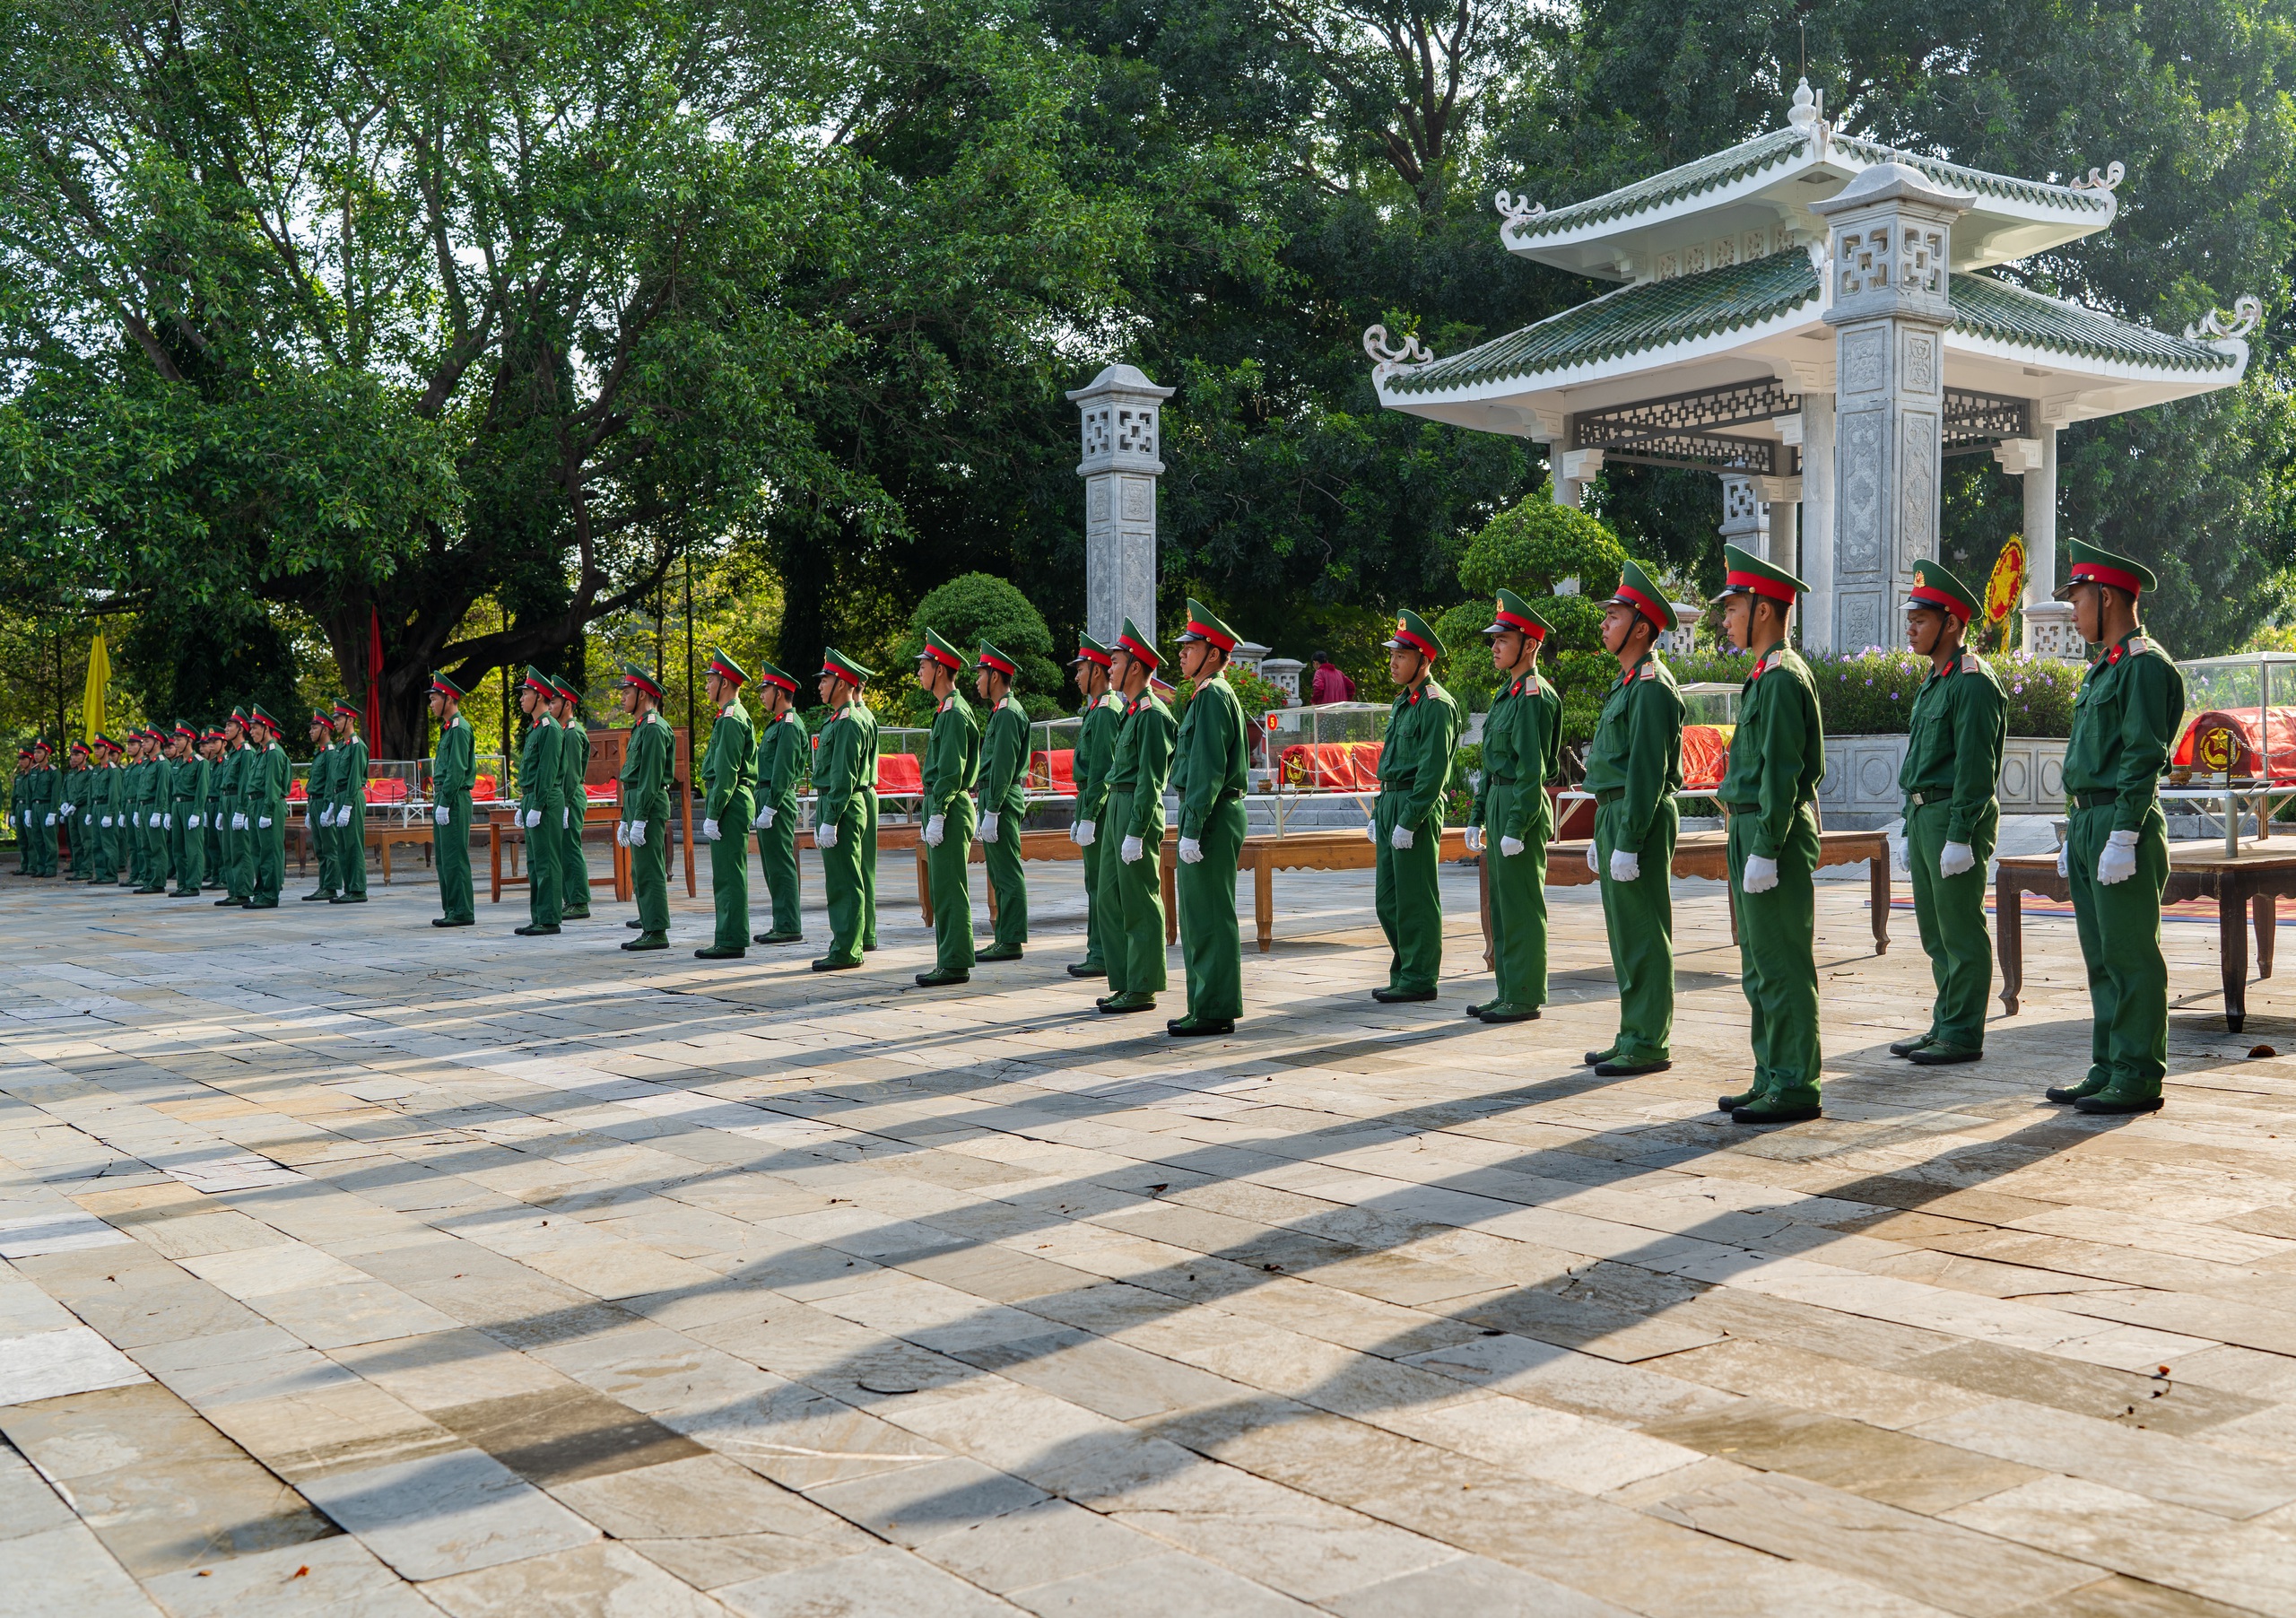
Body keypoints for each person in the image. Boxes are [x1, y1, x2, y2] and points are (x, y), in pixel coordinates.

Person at [2048, 541, 2184, 1114]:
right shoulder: (2103, 667)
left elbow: (2141, 755)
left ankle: (2137, 1074)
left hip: (2119, 819)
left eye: (2078, 600)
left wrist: (2124, 832)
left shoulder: (2145, 666)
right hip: (2088, 820)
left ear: (2106, 597)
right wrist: (2074, 830)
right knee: (2100, 956)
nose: (2073, 613)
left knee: (2130, 956)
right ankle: (2107, 1064)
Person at [1712, 544, 1826, 1124]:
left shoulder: (1782, 677)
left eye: (1732, 607)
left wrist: (1767, 846)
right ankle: (1770, 1073)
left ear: (1762, 610)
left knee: (1781, 964)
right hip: (1751, 827)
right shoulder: (1763, 675)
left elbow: (1785, 771)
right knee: (1758, 966)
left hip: (1769, 832)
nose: (1724, 618)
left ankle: (1796, 1084)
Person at [1891, 561, 2005, 1067]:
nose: (1911, 628)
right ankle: (1944, 1022)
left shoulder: (1973, 682)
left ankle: (1962, 1033)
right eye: (1910, 618)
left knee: (1959, 927)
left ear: (1952, 624)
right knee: (1935, 931)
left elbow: (1976, 768)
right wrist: (1904, 822)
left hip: (1952, 818)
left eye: (1921, 619)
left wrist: (1960, 833)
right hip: (1923, 817)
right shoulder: (1935, 681)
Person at [1581, 561, 1685, 1074]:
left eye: (1614, 615)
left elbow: (1647, 771)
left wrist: (1628, 838)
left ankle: (1648, 1040)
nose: (1604, 623)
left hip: (1636, 813)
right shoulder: (1626, 683)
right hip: (1614, 811)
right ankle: (1631, 1031)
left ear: (1641, 628)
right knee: (1624, 933)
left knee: (1644, 931)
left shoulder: (1651, 686)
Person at [1464, 590, 1561, 1025]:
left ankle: (1524, 995)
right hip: (1501, 801)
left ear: (1530, 645)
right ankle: (1506, 989)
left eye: (1503, 639)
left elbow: (1531, 769)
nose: (1495, 646)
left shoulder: (1533, 696)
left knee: (1521, 904)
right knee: (1501, 904)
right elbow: (1492, 765)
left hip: (1521, 805)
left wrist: (1517, 826)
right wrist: (1478, 815)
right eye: (1495, 639)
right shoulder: (1507, 694)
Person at [1369, 610, 1462, 1005]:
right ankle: (1405, 969)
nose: (1393, 662)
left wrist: (1409, 819)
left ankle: (1420, 976)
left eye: (1402, 656)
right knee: (1387, 899)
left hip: (1414, 805)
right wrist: (1379, 813)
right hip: (1390, 800)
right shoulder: (1403, 703)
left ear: (1424, 660)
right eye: (1392, 655)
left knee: (1416, 897)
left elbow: (1433, 770)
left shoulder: (1436, 705)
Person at [1170, 600, 1249, 1037]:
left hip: (1213, 814)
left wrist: (1194, 826)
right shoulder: (1205, 695)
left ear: (1213, 654)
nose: (1182, 652)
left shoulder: (1214, 696)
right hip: (1206, 813)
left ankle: (1216, 1007)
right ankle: (1202, 1002)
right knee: (1198, 914)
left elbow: (1206, 768)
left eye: (1191, 646)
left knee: (1212, 914)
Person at [1096, 619, 1177, 1014]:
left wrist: (1136, 830)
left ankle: (1143, 986)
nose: (1109, 668)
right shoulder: (1130, 711)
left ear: (1136, 667)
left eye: (1115, 661)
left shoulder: (1152, 713)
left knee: (1140, 900)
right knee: (1111, 898)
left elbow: (1150, 780)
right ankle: (1125, 980)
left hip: (1134, 809)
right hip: (1116, 804)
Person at [914, 630, 980, 987]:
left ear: (940, 669)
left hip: (950, 809)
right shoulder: (946, 710)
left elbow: (951, 771)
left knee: (951, 888)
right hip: (943, 807)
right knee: (942, 888)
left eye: (923, 665)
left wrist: (938, 812)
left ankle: (954, 963)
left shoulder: (954, 713)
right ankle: (948, 960)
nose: (919, 672)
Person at [811, 648, 878, 972]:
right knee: (840, 879)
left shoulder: (849, 721)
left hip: (844, 804)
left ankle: (848, 949)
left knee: (845, 881)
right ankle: (844, 942)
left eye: (825, 679)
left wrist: (831, 817)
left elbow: (843, 775)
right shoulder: (838, 719)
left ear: (841, 684)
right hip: (836, 802)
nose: (821, 685)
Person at [1065, 635, 1123, 980]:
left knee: (1102, 885)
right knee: (1095, 884)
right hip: (1089, 802)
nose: (1076, 676)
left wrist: (1088, 816)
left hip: (1099, 807)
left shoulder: (1105, 712)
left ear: (1098, 671)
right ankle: (1097, 950)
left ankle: (1102, 953)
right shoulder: (1095, 709)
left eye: (1081, 669)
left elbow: (1101, 770)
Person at [693, 648, 756, 959]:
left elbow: (727, 771)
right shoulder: (727, 716)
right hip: (729, 802)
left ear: (726, 684)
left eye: (712, 679)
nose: (707, 685)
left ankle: (731, 940)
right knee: (725, 873)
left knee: (729, 874)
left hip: (729, 803)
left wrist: (714, 811)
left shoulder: (732, 719)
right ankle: (728, 936)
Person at [974, 641, 1031, 963]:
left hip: (1002, 798)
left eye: (981, 673)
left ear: (995, 676)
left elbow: (1004, 766)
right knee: (999, 872)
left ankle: (1011, 940)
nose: (978, 680)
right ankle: (1004, 937)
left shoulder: (1009, 713)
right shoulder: (1001, 711)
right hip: (993, 797)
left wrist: (993, 808)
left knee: (1007, 872)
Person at [614, 661, 674, 951]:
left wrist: (639, 818)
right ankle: (648, 921)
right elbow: (633, 780)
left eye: (627, 692)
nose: (622, 697)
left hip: (649, 805)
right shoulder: (640, 727)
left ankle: (657, 930)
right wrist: (627, 817)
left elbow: (650, 778)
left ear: (642, 694)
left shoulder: (653, 728)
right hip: (638, 802)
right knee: (640, 871)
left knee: (650, 869)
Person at [749, 660, 807, 945]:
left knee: (781, 864)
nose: (762, 694)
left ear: (780, 692)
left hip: (778, 799)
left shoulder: (789, 725)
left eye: (766, 689)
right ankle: (780, 922)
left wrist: (771, 806)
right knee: (772, 865)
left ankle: (788, 924)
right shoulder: (776, 725)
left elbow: (783, 770)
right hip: (768, 796)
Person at [514, 666, 565, 936]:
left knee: (547, 862)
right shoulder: (535, 728)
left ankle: (549, 918)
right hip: (533, 796)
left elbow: (547, 770)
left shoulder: (550, 728)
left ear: (540, 696)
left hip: (544, 798)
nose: (522, 698)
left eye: (526, 693)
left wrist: (537, 805)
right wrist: (525, 802)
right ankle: (538, 917)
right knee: (534, 863)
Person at [428, 673, 477, 927]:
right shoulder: (448, 729)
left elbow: (456, 770)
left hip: (454, 798)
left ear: (449, 699)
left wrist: (445, 801)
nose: (432, 704)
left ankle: (462, 911)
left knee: (455, 855)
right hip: (445, 796)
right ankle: (452, 908)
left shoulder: (459, 729)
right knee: (444, 857)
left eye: (435, 699)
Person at [552, 677, 591, 920]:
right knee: (563, 849)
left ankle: (579, 901)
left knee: (570, 848)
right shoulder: (561, 731)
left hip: (572, 796)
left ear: (567, 705)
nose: (549, 706)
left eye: (554, 702)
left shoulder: (573, 733)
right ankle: (570, 899)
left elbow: (572, 773)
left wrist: (565, 804)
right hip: (565, 797)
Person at [245, 705, 291, 908]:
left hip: (268, 804)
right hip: (256, 804)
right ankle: (261, 891)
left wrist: (267, 811)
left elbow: (272, 786)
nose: (251, 731)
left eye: (255, 728)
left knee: (269, 852)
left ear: (266, 728)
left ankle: (270, 895)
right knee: (257, 851)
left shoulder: (273, 752)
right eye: (251, 728)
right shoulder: (260, 752)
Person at [329, 700, 371, 904]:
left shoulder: (357, 746)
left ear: (350, 720)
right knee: (343, 846)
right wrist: (332, 804)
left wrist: (347, 805)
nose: (335, 723)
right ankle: (349, 888)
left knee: (353, 845)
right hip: (340, 796)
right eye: (335, 719)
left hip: (351, 797)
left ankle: (357, 889)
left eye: (339, 719)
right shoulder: (340, 746)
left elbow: (355, 777)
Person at [214, 711, 251, 905]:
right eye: (226, 726)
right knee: (228, 850)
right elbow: (224, 784)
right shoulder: (231, 754)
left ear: (241, 728)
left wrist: (241, 810)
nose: (226, 729)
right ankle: (233, 891)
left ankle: (243, 891)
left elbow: (245, 783)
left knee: (240, 849)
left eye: (231, 725)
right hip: (227, 801)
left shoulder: (246, 752)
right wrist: (221, 810)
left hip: (237, 801)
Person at [304, 710, 340, 900]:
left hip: (324, 803)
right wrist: (310, 809)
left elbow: (330, 783)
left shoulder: (331, 753)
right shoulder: (320, 753)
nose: (311, 731)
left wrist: (329, 807)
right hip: (315, 802)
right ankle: (323, 885)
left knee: (329, 847)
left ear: (325, 730)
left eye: (315, 727)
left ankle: (331, 886)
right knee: (320, 848)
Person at [169, 722, 207, 895]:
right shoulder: (175, 762)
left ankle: (193, 885)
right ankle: (182, 883)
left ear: (189, 740)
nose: (175, 742)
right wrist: (169, 812)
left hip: (191, 805)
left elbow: (202, 789)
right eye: (175, 739)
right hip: (177, 806)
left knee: (193, 848)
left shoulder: (200, 763)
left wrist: (197, 812)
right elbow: (171, 788)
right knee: (178, 848)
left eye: (179, 739)